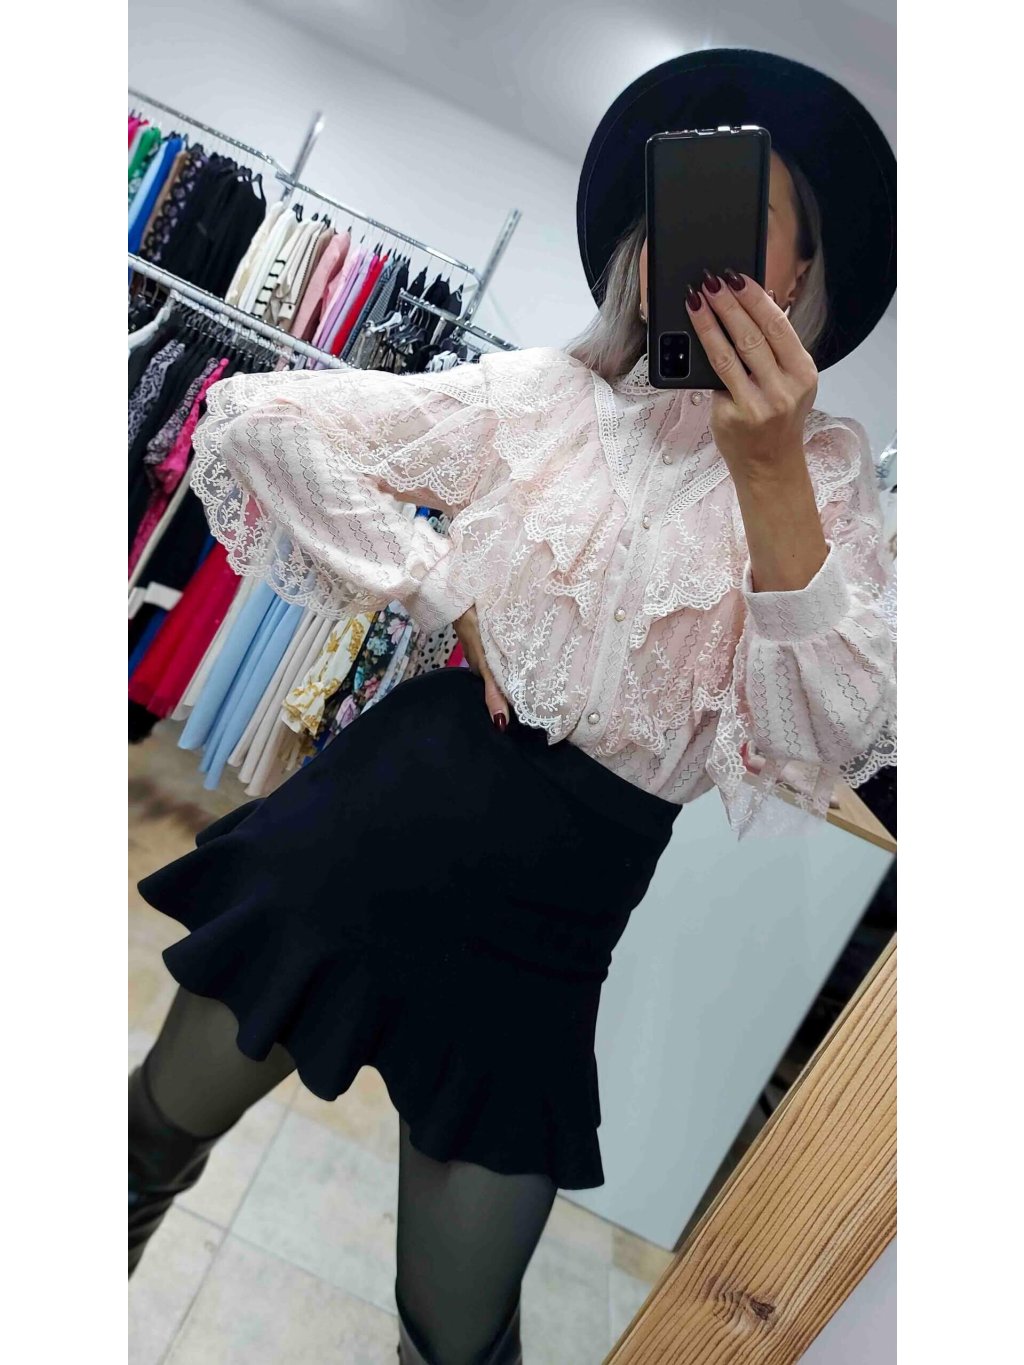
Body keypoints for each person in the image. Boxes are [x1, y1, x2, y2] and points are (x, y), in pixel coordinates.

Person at [129, 48, 896, 1365]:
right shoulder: (544, 399)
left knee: (458, 1333)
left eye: (746, 212)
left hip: (543, 929)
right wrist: (443, 586)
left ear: (804, 270)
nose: (699, 238)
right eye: (681, 201)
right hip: (362, 837)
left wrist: (768, 472)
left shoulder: (828, 485)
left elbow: (819, 738)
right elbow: (258, 417)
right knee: (140, 1147)